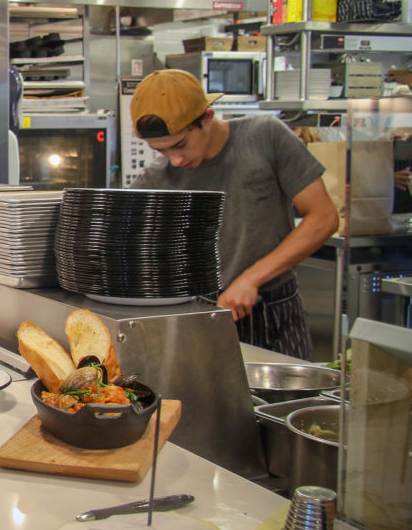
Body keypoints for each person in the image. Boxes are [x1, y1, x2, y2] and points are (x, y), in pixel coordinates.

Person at [129, 69, 338, 359]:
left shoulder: (265, 136)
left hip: (274, 312)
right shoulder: (157, 178)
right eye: (161, 151)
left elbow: (323, 217)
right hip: (202, 316)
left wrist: (250, 279)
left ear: (207, 117)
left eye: (180, 145)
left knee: (287, 404)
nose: (175, 160)